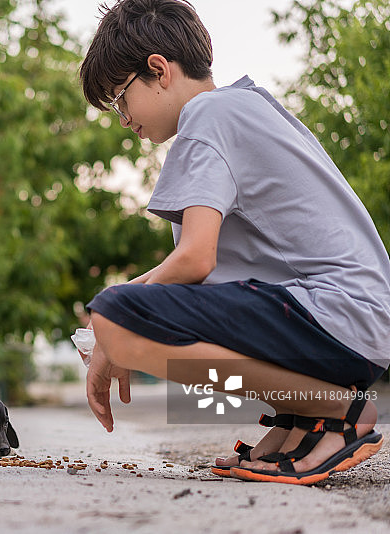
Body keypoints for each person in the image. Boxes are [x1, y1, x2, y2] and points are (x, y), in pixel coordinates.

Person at [77, 0, 390, 485]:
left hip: (338, 317)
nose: (122, 118)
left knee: (117, 318)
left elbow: (195, 260)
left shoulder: (207, 116)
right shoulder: (247, 105)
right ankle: (301, 415)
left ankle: (335, 410)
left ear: (158, 70)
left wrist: (109, 327)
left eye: (120, 98)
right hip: (357, 322)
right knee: (125, 311)